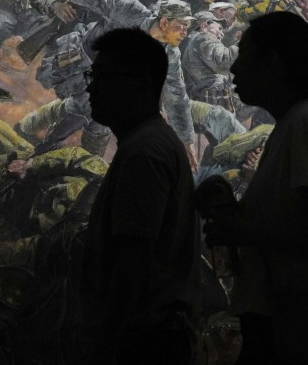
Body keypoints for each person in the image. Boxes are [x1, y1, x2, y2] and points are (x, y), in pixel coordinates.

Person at [202, 11, 308, 365]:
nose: (233, 70)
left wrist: (242, 231)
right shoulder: (294, 123)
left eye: (243, 57)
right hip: (290, 323)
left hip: (303, 333)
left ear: (271, 62)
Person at [78, 28, 200, 364]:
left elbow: (133, 260)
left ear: (142, 83)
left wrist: (104, 345)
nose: (91, 86)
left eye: (103, 76)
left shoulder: (144, 152)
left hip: (141, 345)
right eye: (93, 74)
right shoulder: (147, 143)